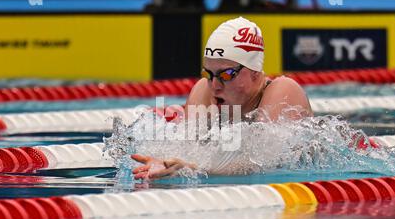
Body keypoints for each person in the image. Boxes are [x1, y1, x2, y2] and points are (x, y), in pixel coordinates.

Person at [131, 17, 313, 180]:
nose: (215, 85)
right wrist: (165, 164)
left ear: (255, 73)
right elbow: (185, 148)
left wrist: (193, 167)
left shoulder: (283, 91)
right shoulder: (204, 89)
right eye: (209, 74)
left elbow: (262, 162)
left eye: (226, 75)